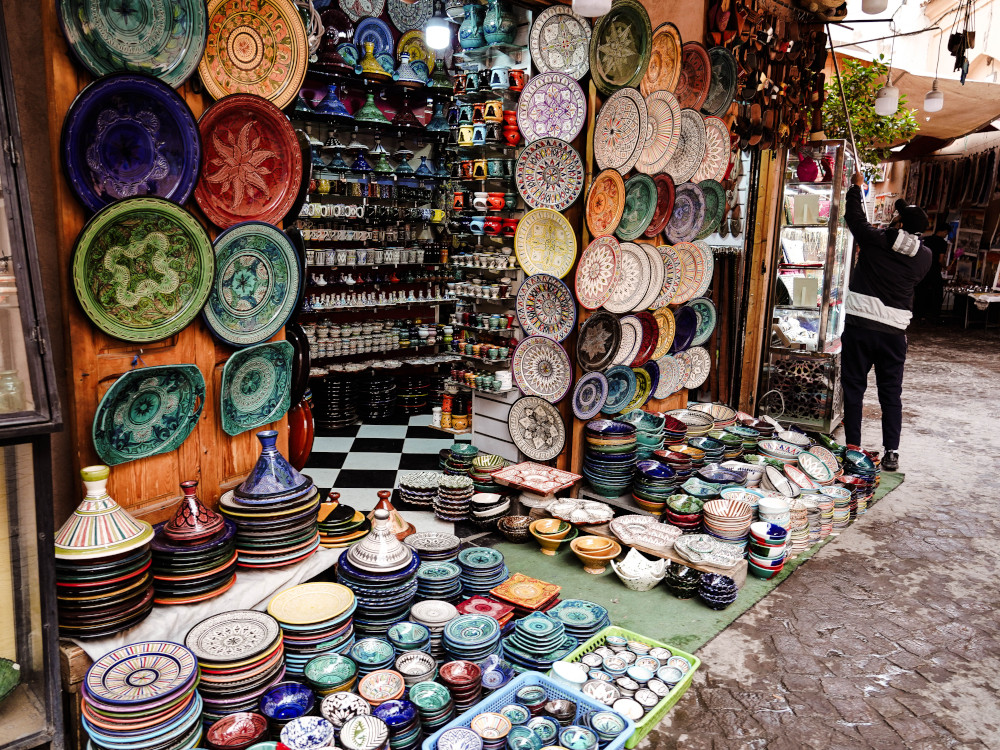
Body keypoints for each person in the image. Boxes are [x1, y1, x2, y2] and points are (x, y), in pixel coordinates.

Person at [841, 173, 932, 472]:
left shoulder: (877, 241)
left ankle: (852, 447)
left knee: (854, 389)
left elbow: (854, 219)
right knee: (890, 395)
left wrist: (856, 188)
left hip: (860, 328)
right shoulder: (925, 257)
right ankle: (891, 452)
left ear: (901, 224)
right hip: (893, 333)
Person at [914, 219, 950, 320]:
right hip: (934, 270)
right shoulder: (942, 243)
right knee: (937, 292)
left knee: (921, 291)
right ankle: (934, 315)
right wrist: (945, 267)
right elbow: (941, 259)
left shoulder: (926, 239)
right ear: (943, 231)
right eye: (946, 232)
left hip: (923, 269)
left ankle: (919, 313)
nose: (946, 235)